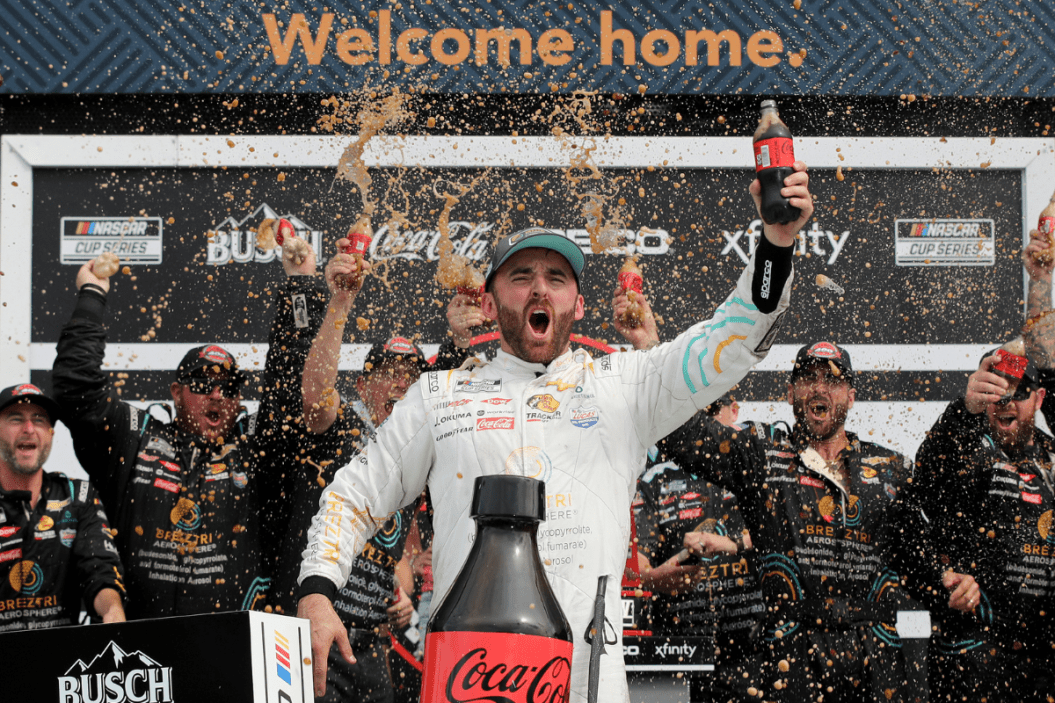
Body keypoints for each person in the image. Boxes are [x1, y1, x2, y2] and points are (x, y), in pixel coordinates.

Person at [297, 162, 814, 701]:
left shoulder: (623, 384)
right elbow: (353, 495)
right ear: (492, 304)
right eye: (521, 277)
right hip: (467, 676)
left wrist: (776, 244)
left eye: (557, 279)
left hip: (587, 682)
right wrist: (316, 589)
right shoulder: (440, 394)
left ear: (578, 304)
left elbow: (727, 340)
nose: (539, 290)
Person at [659, 341, 976, 702]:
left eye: (834, 381)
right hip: (789, 658)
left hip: (874, 662)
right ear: (791, 392)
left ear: (851, 396)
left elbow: (918, 555)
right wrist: (648, 345)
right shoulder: (763, 453)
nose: (820, 388)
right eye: (809, 378)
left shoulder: (890, 469)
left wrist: (947, 579)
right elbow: (684, 435)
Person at [51, 244, 319, 618]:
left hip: (233, 645)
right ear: (175, 392)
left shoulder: (255, 448)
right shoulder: (137, 438)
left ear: (240, 400)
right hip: (142, 645)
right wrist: (92, 295)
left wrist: (301, 287)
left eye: (228, 387)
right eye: (201, 382)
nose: (216, 394)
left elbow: (293, 389)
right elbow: (76, 389)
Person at [267, 237, 480, 703]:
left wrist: (400, 591)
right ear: (362, 384)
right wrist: (341, 299)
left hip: (369, 645)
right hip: (307, 635)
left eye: (411, 375)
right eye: (388, 372)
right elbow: (314, 396)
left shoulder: (414, 452)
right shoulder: (340, 427)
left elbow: (398, 554)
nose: (402, 383)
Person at [905, 229, 1055, 702]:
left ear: (1039, 398)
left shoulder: (1052, 455)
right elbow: (922, 487)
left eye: (1017, 392)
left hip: (1046, 656)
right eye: (993, 389)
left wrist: (1042, 282)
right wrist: (964, 409)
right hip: (974, 656)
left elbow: (1046, 356)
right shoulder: (962, 446)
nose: (1005, 402)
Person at [633, 391, 766, 703]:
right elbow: (636, 568)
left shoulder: (758, 464)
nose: (700, 421)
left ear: (733, 411)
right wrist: (653, 579)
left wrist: (732, 543)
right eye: (693, 411)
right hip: (679, 654)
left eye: (710, 410)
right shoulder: (655, 479)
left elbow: (787, 536)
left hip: (752, 652)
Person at [0, 383, 126, 632]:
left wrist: (112, 611)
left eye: (39, 420)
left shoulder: (78, 496)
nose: (29, 429)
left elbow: (99, 571)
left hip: (61, 661)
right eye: (16, 419)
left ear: (50, 433)